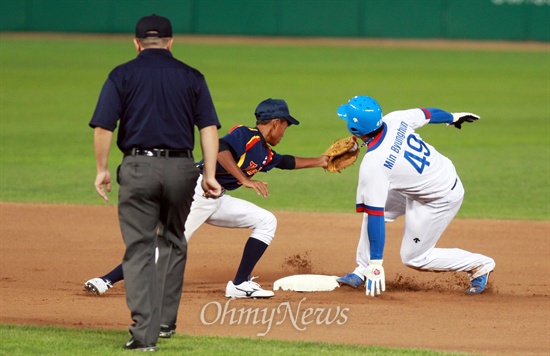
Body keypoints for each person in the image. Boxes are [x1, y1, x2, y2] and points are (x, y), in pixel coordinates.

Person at [85, 98, 330, 337]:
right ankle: (106, 280)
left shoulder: (264, 152)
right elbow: (221, 150)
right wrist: (244, 179)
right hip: (194, 192)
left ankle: (240, 284)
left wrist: (321, 161)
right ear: (276, 122)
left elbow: (285, 162)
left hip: (217, 199)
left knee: (266, 220)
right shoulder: (246, 134)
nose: (285, 132)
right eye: (286, 125)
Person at [89, 14, 222, 351]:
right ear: (170, 42)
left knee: (140, 249)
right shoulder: (192, 76)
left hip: (137, 167)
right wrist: (208, 173)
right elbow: (208, 127)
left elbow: (104, 126)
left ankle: (143, 335)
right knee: (174, 240)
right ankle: (164, 322)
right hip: (181, 169)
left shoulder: (122, 74)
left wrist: (102, 169)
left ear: (136, 44)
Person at [334, 95, 495, 297]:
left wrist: (377, 263)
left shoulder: (374, 164)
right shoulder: (396, 119)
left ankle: (480, 265)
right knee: (372, 207)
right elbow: (429, 114)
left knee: (415, 258)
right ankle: (362, 270)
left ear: (355, 130)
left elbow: (376, 214)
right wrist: (452, 117)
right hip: (432, 177)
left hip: (439, 198)